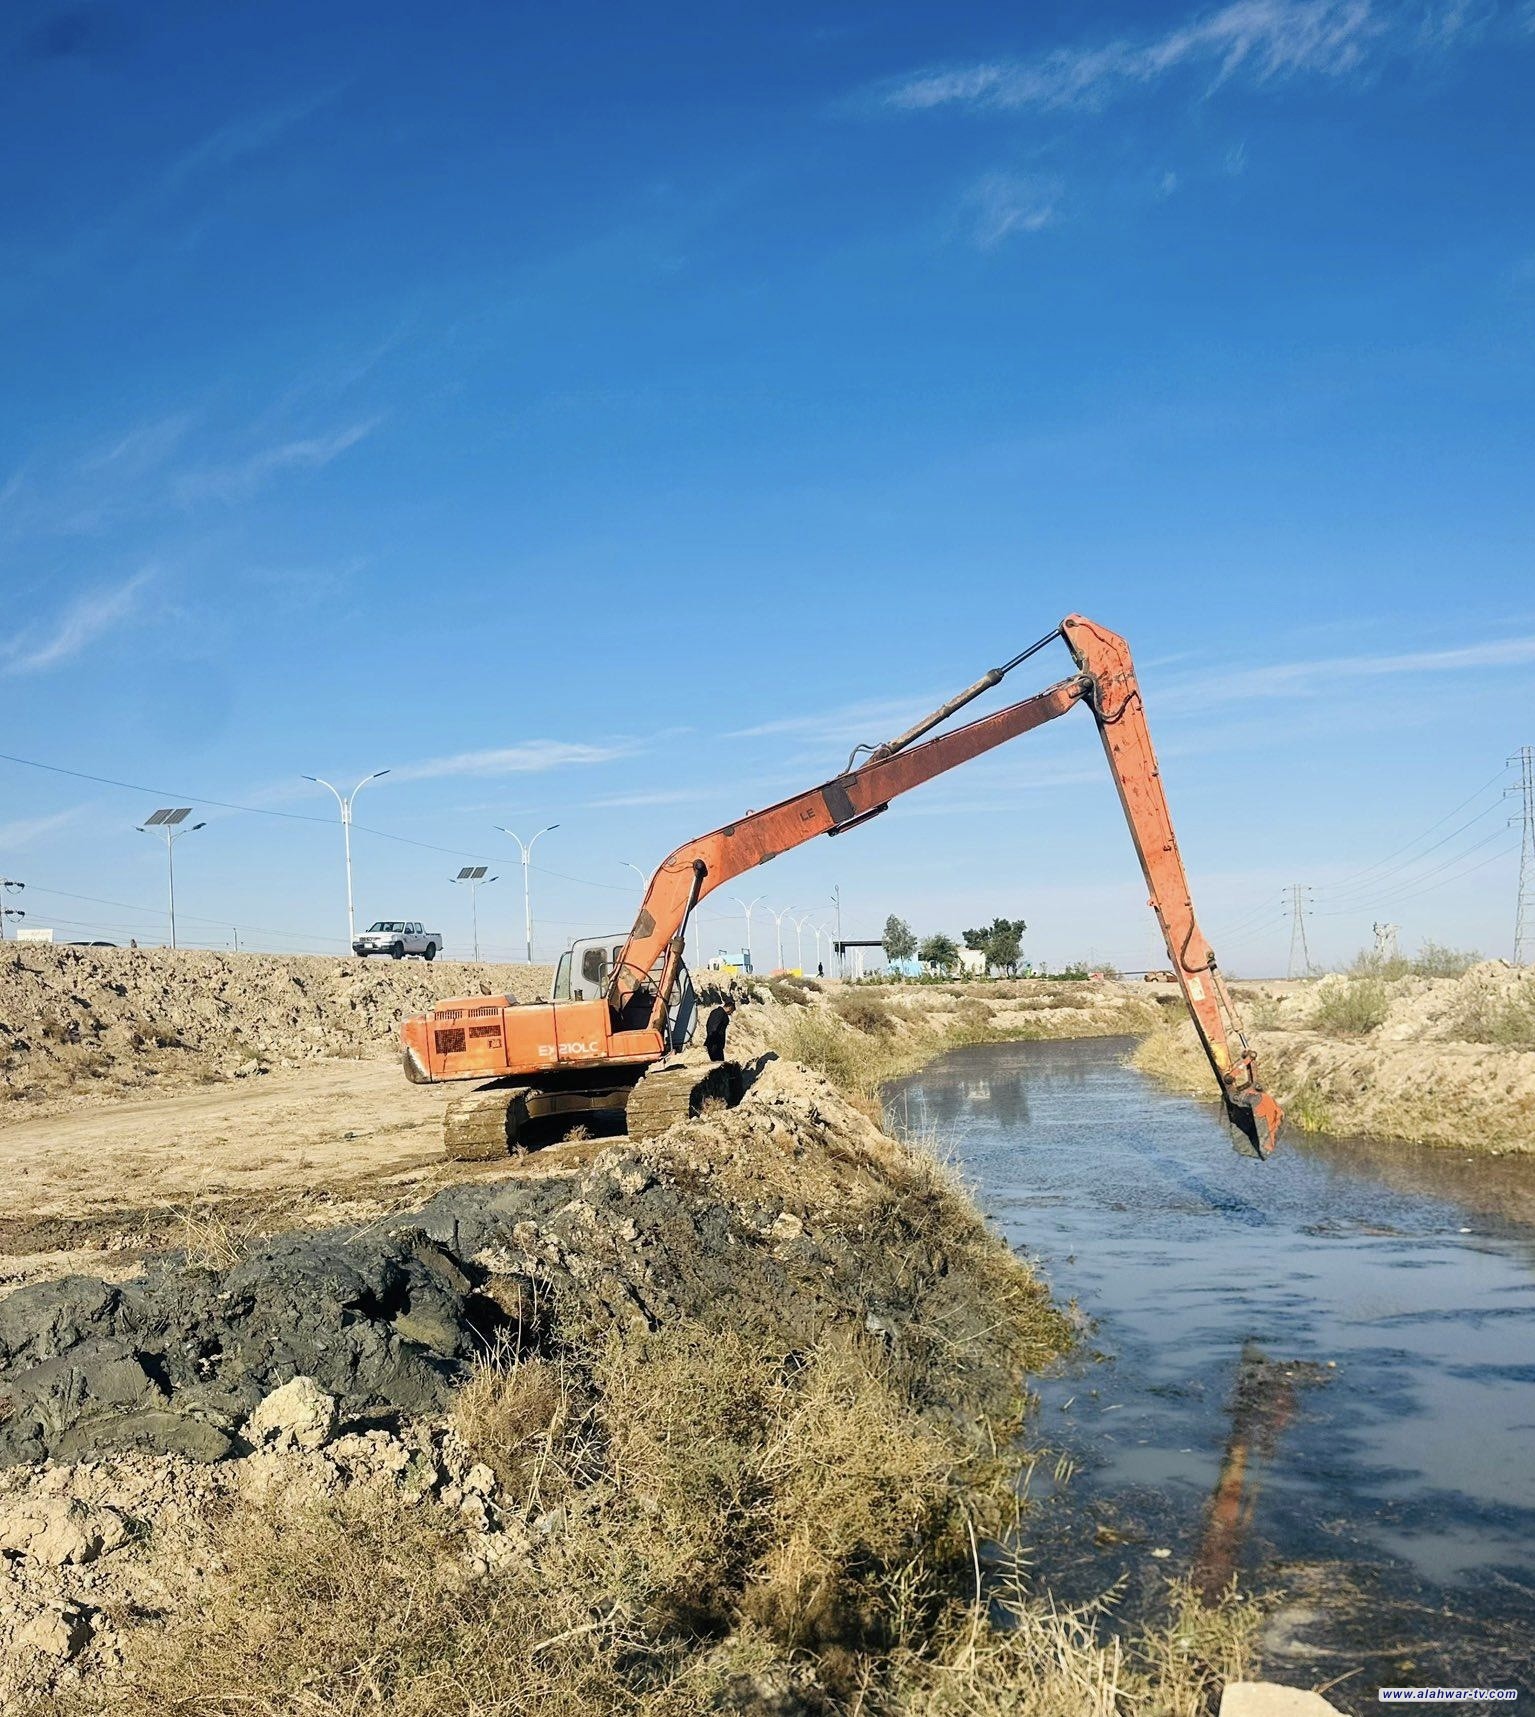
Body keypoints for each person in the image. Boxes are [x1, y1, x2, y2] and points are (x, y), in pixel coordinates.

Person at [704, 995, 736, 1062]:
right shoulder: (720, 1013)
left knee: (717, 1063)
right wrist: (714, 1041)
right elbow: (713, 1027)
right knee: (719, 1064)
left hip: (714, 1043)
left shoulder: (716, 1011)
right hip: (715, 1044)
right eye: (732, 1011)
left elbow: (709, 1026)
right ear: (730, 1008)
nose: (731, 1013)